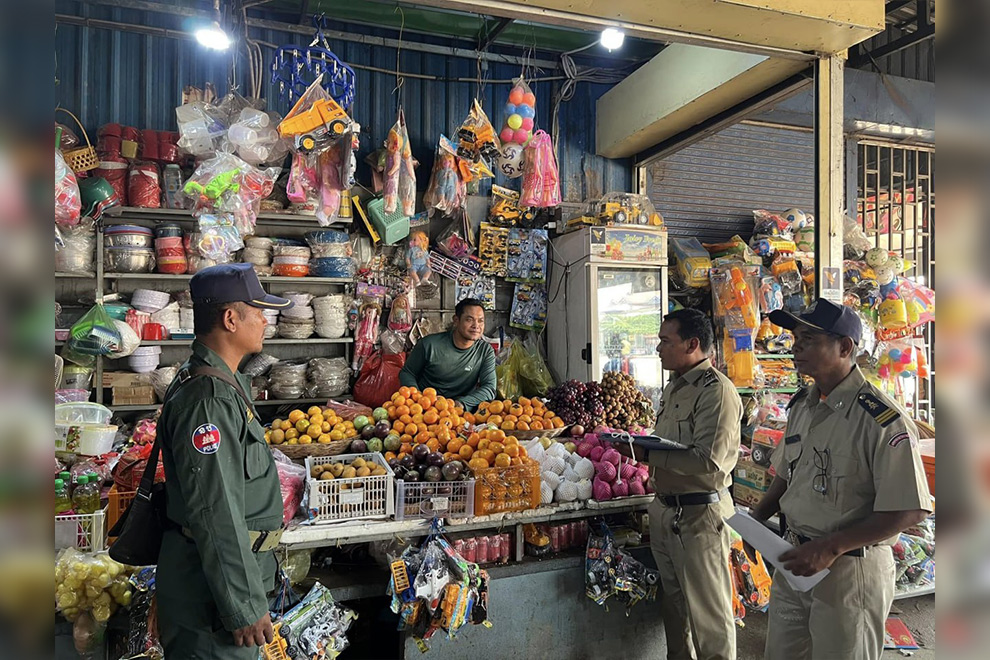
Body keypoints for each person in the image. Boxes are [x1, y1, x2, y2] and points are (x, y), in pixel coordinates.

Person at [749, 299, 932, 660]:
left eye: (808, 339)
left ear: (844, 347)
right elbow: (786, 473)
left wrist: (830, 547)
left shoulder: (879, 418)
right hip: (794, 559)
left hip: (849, 569)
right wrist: (755, 522)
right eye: (795, 337)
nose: (796, 346)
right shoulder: (803, 404)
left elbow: (911, 509)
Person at [156, 263, 292, 659]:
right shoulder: (209, 399)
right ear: (231, 319)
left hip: (214, 590)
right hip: (212, 603)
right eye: (259, 309)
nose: (266, 319)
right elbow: (216, 512)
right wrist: (243, 606)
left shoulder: (219, 383)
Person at [619, 308, 741, 660]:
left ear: (692, 344)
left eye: (665, 341)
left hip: (700, 516)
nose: (658, 348)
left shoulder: (716, 392)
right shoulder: (675, 387)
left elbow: (708, 460)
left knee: (709, 619)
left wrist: (646, 454)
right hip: (666, 513)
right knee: (675, 613)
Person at [399, 298, 496, 411]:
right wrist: (417, 397)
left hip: (461, 413)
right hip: (427, 410)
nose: (476, 326)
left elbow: (489, 388)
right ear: (456, 320)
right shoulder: (429, 345)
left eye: (480, 321)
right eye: (469, 320)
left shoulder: (485, 351)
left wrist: (461, 404)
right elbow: (407, 373)